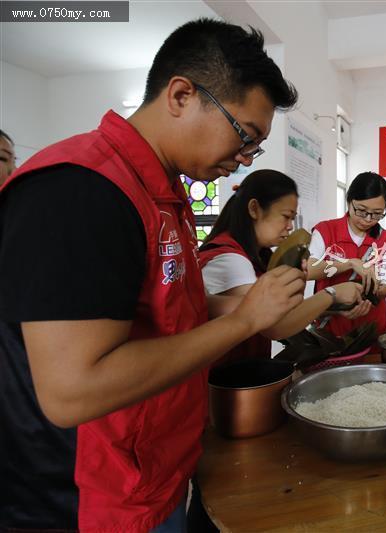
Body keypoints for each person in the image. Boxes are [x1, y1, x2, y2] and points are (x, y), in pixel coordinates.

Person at [0, 19, 307, 532]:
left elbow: (157, 315)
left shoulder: (162, 193)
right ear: (182, 94)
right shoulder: (82, 190)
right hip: (92, 501)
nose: (244, 159)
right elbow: (72, 391)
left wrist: (240, 310)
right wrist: (242, 321)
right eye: (245, 136)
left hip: (155, 474)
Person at [198, 169, 364, 360]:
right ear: (254, 209)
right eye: (286, 216)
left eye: (293, 218)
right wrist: (332, 294)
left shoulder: (257, 256)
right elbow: (273, 324)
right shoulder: (230, 260)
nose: (290, 226)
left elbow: (278, 310)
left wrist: (332, 307)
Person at [307, 171, 386, 338]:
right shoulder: (326, 230)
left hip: (370, 330)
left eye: (377, 213)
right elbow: (309, 270)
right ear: (349, 201)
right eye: (361, 211)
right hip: (330, 330)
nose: (368, 219)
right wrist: (349, 263)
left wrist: (368, 294)